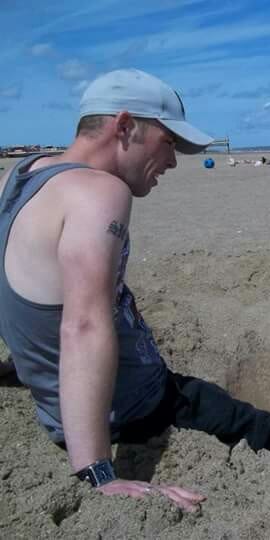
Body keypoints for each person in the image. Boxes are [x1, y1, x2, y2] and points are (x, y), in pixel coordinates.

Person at [1, 69, 270, 514]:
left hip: (61, 406)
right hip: (136, 409)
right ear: (123, 127)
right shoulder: (100, 192)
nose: (173, 161)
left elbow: (23, 282)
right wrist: (97, 472)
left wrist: (26, 359)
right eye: (169, 142)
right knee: (248, 421)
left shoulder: (25, 175)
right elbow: (84, 325)